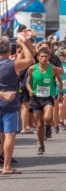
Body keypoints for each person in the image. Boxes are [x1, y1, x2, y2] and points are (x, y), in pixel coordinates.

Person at [0, 38, 34, 174]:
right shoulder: (13, 64)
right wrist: (23, 44)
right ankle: (6, 166)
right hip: (10, 105)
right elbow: (31, 59)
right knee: (9, 136)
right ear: (10, 50)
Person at [26, 48, 63, 155]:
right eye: (41, 56)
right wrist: (30, 90)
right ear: (38, 57)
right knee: (39, 124)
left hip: (48, 97)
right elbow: (27, 83)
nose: (44, 58)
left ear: (49, 57)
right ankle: (41, 145)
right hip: (36, 98)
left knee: (47, 117)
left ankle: (49, 127)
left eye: (46, 56)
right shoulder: (32, 69)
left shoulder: (53, 68)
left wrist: (60, 93)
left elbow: (60, 80)